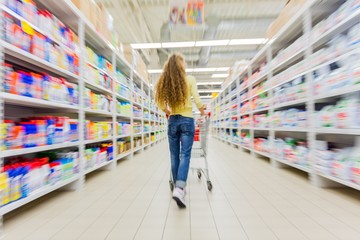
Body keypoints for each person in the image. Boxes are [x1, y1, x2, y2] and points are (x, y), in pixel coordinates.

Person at [155, 53, 206, 208]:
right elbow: (196, 99)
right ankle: (179, 187)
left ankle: (179, 189)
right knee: (185, 155)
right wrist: (203, 111)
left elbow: (158, 101)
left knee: (174, 155)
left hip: (173, 121)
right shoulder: (189, 80)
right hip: (187, 121)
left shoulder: (165, 82)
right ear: (181, 65)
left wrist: (167, 111)